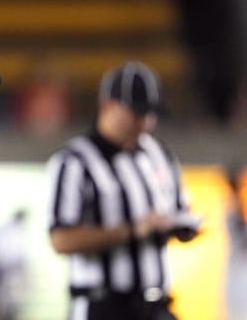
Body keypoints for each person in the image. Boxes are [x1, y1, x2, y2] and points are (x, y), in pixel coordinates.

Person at [46, 61, 200, 320]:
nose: (145, 122)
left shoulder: (158, 153)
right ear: (107, 105)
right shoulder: (75, 161)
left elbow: (180, 209)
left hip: (157, 305)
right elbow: (61, 239)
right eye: (136, 113)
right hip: (103, 307)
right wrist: (133, 230)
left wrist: (181, 225)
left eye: (149, 113)